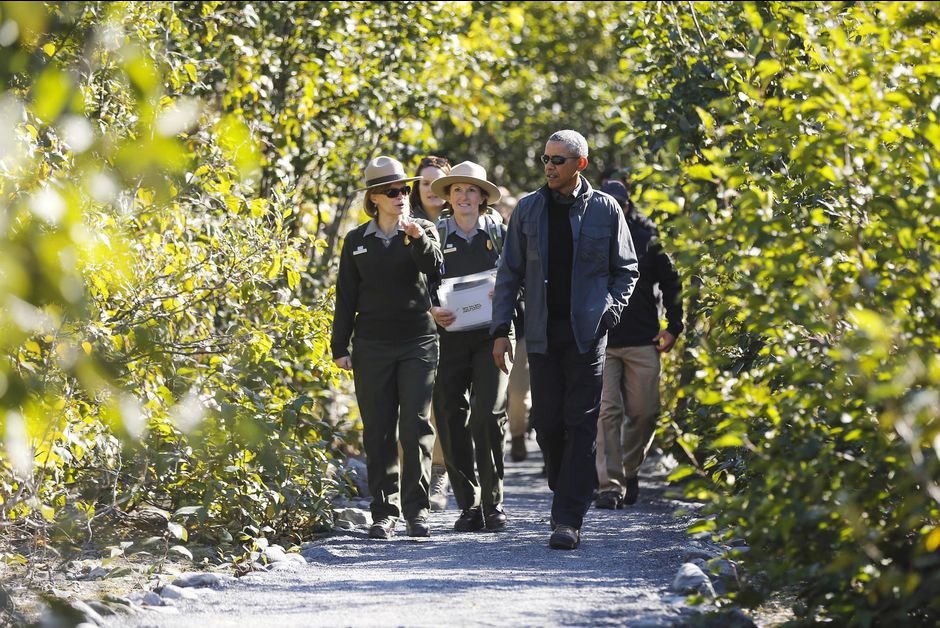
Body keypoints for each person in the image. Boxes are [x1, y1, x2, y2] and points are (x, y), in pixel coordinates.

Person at [490, 130, 639, 550]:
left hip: (587, 334)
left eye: (558, 160)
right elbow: (509, 274)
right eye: (546, 159)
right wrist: (501, 330)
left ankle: (567, 518)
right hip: (539, 334)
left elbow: (626, 269)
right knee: (548, 423)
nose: (549, 167)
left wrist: (610, 310)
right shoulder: (528, 210)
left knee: (581, 421)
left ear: (580, 164)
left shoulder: (606, 211)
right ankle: (566, 480)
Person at [331, 155, 443, 539]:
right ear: (374, 198)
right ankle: (383, 512)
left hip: (418, 342)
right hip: (371, 346)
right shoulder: (356, 241)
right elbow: (345, 296)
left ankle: (417, 511)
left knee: (413, 428)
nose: (401, 196)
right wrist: (339, 347)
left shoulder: (423, 229)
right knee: (378, 431)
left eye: (404, 189)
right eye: (392, 191)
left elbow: (435, 268)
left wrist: (416, 237)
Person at [429, 161, 511, 532]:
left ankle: (494, 503)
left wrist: (506, 293)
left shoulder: (500, 233)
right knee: (449, 415)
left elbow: (522, 275)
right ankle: (469, 504)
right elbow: (418, 284)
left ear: (482, 198)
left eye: (471, 190)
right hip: (447, 340)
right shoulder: (434, 235)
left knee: (487, 415)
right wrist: (432, 310)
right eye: (457, 190)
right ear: (449, 197)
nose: (464, 196)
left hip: (492, 337)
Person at [594, 179, 683, 508]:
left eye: (622, 204)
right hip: (600, 341)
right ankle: (609, 485)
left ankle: (629, 470)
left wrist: (674, 326)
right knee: (607, 413)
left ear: (629, 206)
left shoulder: (647, 239)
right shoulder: (587, 236)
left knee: (645, 414)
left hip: (643, 340)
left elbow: (672, 282)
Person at [408, 156, 453, 511]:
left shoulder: (464, 220)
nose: (432, 190)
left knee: (447, 405)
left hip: (459, 322)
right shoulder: (404, 223)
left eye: (439, 183)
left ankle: (441, 474)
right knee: (416, 405)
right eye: (425, 184)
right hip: (416, 324)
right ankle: (412, 479)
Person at [496, 187, 531, 463]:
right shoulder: (495, 237)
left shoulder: (531, 239)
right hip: (501, 327)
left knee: (522, 392)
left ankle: (522, 436)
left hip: (529, 327)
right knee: (512, 392)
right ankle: (515, 435)